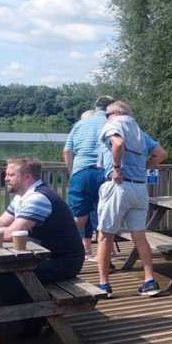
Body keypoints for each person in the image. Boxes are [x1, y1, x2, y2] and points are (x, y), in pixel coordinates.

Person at [0, 156, 84, 333]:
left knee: (6, 281)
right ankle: (27, 315)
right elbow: (2, 221)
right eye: (6, 174)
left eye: (10, 174)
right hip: (45, 255)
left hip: (63, 262)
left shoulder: (38, 198)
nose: (5, 178)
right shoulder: (24, 196)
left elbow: (9, 234)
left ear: (27, 177)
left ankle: (38, 321)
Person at [95, 101, 167, 297]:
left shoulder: (113, 125)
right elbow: (161, 154)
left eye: (106, 115)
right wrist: (144, 165)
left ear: (114, 113)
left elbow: (117, 143)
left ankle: (103, 285)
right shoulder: (140, 133)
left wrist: (117, 168)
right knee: (139, 236)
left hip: (119, 186)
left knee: (105, 235)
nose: (106, 119)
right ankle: (149, 281)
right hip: (139, 187)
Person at [62, 95, 115, 259]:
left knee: (78, 217)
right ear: (110, 109)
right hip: (105, 172)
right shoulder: (112, 124)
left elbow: (67, 151)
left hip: (81, 172)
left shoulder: (79, 125)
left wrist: (73, 172)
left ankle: (70, 252)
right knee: (104, 216)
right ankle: (105, 254)